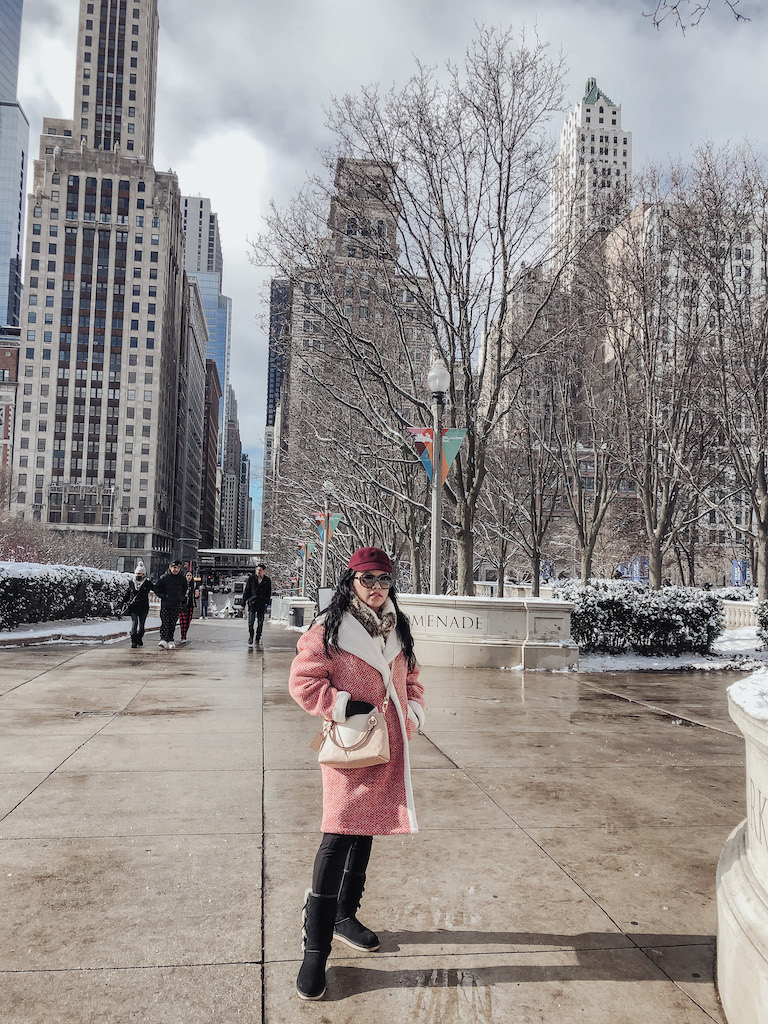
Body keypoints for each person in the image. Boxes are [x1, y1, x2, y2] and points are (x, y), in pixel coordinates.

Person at [288, 546, 425, 1001]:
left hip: (387, 747)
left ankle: (346, 914)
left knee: (366, 831)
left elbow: (411, 680)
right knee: (338, 833)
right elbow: (303, 683)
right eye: (368, 580)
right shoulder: (329, 628)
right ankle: (315, 948)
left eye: (384, 580)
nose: (377, 588)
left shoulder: (398, 626)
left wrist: (414, 713)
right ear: (351, 582)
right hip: (350, 747)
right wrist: (344, 705)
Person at [154, 559, 187, 649]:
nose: (176, 570)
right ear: (170, 567)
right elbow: (156, 588)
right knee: (165, 622)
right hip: (166, 604)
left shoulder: (182, 578)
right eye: (174, 567)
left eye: (177, 568)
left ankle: (170, 639)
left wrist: (181, 598)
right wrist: (164, 596)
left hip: (176, 604)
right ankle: (163, 639)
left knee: (172, 623)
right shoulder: (164, 578)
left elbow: (184, 589)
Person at [124, 560, 154, 648]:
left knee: (141, 626)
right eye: (137, 573)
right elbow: (127, 594)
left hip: (143, 607)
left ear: (144, 574)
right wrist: (123, 603)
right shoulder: (131, 583)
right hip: (133, 607)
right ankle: (134, 641)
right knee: (134, 623)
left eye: (140, 574)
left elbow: (156, 589)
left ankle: (139, 638)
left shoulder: (147, 583)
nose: (138, 575)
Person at [243, 562, 271, 649]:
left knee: (260, 622)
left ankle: (257, 638)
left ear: (264, 571)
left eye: (260, 570)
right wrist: (243, 602)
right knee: (251, 622)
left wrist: (267, 602)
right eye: (257, 570)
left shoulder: (267, 580)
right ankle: (251, 636)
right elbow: (247, 591)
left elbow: (268, 593)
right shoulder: (251, 579)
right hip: (252, 603)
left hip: (262, 604)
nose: (259, 572)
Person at [178, 570, 197, 644]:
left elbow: (195, 593)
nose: (189, 577)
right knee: (183, 621)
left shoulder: (194, 584)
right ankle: (183, 636)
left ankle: (184, 635)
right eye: (187, 575)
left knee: (188, 621)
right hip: (182, 604)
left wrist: (196, 595)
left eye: (190, 575)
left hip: (190, 604)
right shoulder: (181, 584)